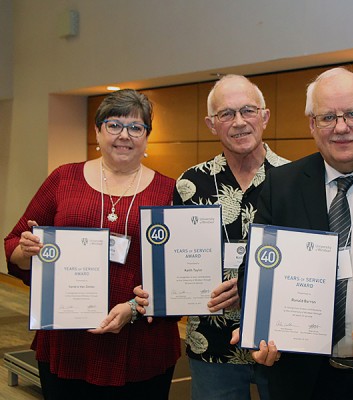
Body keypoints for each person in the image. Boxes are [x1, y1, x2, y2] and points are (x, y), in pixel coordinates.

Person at [4, 89, 181, 399]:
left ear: (146, 136)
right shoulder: (63, 179)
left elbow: (178, 275)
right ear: (97, 130)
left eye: (136, 127)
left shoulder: (170, 192)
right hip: (69, 340)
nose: (124, 135)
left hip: (140, 343)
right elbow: (15, 245)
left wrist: (133, 309)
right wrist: (27, 250)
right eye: (114, 125)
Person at [234, 67, 353, 399]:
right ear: (311, 124)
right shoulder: (282, 185)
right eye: (327, 117)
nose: (341, 127)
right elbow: (254, 268)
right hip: (301, 377)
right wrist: (259, 331)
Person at [136, 74, 289, 399]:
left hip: (277, 342)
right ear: (211, 123)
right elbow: (174, 259)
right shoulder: (190, 184)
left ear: (265, 116)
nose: (238, 122)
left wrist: (249, 286)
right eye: (226, 114)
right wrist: (160, 289)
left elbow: (306, 265)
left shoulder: (294, 180)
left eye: (248, 110)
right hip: (210, 344)